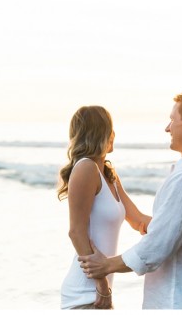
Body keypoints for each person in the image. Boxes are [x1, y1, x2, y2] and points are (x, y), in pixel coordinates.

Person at [78, 92, 182, 309]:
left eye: (173, 120)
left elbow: (156, 247)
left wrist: (106, 266)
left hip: (180, 303)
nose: (168, 128)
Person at [58, 105, 152, 310]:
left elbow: (138, 220)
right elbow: (76, 232)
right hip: (84, 294)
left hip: (99, 293)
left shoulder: (108, 173)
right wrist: (101, 284)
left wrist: (180, 224)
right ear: (106, 134)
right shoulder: (85, 168)